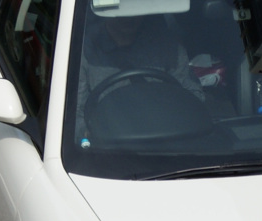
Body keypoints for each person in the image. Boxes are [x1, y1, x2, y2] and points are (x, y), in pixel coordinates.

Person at [74, 13, 204, 139]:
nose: (128, 16)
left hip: (165, 134)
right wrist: (89, 134)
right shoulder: (84, 50)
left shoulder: (166, 43)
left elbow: (192, 95)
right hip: (110, 142)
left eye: (134, 9)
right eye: (121, 10)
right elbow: (75, 110)